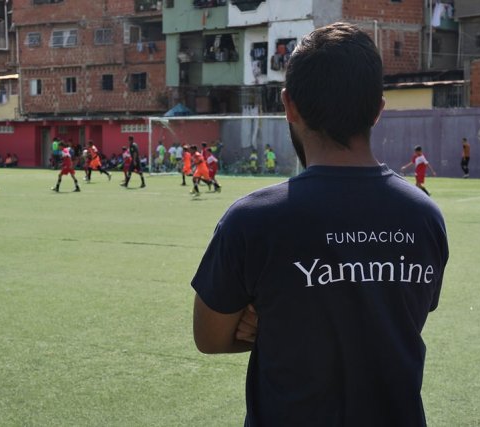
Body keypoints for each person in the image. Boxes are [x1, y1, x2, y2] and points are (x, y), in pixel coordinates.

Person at [191, 23, 449, 426]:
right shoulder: (424, 214)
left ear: (288, 105)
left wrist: (277, 318)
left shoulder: (252, 220)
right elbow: (395, 316)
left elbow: (210, 337)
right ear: (379, 110)